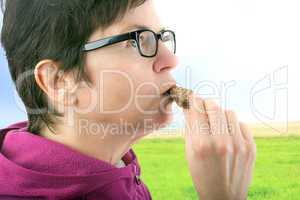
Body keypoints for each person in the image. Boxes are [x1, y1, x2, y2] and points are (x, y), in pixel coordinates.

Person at [0, 0, 256, 199]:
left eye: (160, 37)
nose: (170, 60)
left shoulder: (117, 171)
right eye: (136, 41)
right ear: (60, 82)